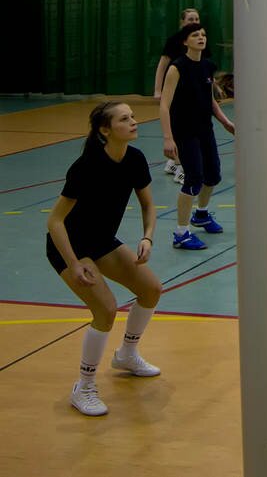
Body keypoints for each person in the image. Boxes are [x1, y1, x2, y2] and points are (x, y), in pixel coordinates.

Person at [45, 102, 164, 417]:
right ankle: (83, 387)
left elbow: (148, 205)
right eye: (125, 119)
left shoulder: (135, 159)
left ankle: (126, 354)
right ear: (105, 130)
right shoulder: (86, 166)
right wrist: (74, 263)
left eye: (133, 117)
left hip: (101, 242)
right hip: (69, 246)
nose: (134, 122)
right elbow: (55, 221)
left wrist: (147, 237)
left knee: (151, 289)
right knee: (106, 309)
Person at [159, 23, 235, 251]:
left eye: (203, 34)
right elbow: (164, 105)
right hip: (184, 131)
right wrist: (168, 138)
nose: (201, 38)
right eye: (195, 35)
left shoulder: (207, 66)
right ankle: (181, 234)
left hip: (205, 129)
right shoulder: (177, 67)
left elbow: (209, 100)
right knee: (194, 179)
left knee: (213, 175)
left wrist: (225, 122)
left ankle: (201, 214)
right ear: (185, 41)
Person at [153, 8, 203, 184]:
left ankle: (173, 163)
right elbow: (162, 65)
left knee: (191, 127)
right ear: (182, 22)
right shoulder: (174, 41)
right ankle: (182, 169)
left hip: (192, 91)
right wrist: (158, 89)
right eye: (190, 19)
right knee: (181, 128)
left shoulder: (200, 40)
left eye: (196, 19)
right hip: (175, 89)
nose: (194, 22)